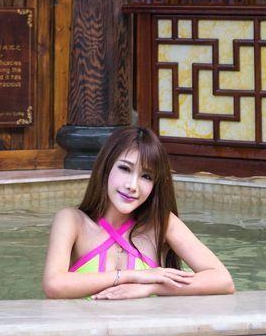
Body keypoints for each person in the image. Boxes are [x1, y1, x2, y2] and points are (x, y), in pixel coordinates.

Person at [41, 125, 235, 300]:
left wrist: (150, 288)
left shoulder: (161, 224)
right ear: (106, 168)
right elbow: (54, 285)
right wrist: (132, 276)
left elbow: (223, 280)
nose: (132, 186)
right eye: (125, 169)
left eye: (146, 176)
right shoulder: (72, 221)